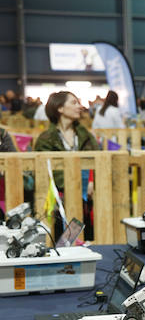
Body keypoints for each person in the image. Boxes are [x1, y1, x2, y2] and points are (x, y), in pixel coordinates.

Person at [34, 92, 101, 238]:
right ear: (60, 108)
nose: (79, 107)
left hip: (87, 201)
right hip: (57, 203)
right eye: (74, 103)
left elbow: (98, 162)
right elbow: (44, 171)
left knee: (87, 239)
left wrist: (91, 181)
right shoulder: (46, 139)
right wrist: (75, 184)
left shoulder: (86, 136)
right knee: (61, 242)